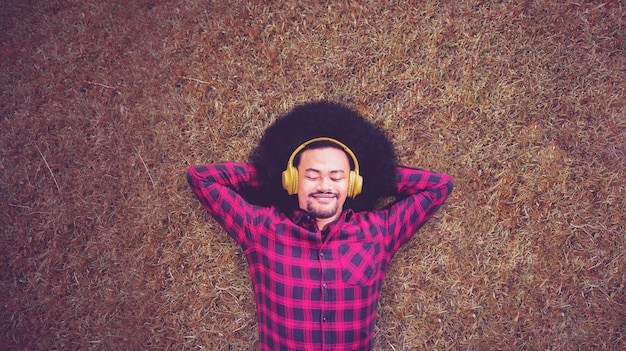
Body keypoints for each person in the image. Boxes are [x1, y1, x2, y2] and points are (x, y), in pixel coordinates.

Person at [187, 101, 453, 351]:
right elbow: (202, 179)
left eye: (337, 177)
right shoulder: (261, 229)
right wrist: (271, 174)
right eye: (311, 176)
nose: (325, 185)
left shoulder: (379, 231)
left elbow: (438, 186)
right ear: (293, 181)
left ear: (352, 184)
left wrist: (375, 176)